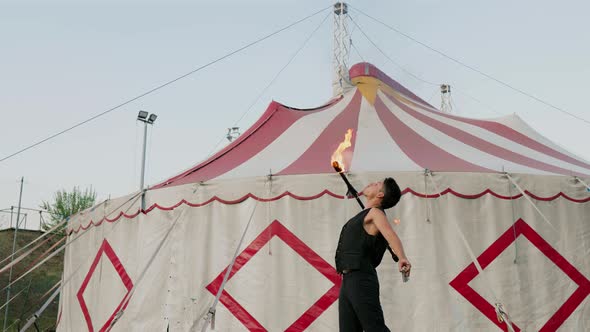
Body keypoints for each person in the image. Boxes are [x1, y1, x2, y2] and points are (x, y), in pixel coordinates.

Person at [335, 177, 411, 332]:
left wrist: (402, 257)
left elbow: (391, 236)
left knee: (374, 328)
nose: (372, 182)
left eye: (377, 184)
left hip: (361, 278)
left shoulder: (375, 213)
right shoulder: (366, 214)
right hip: (348, 279)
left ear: (380, 195)